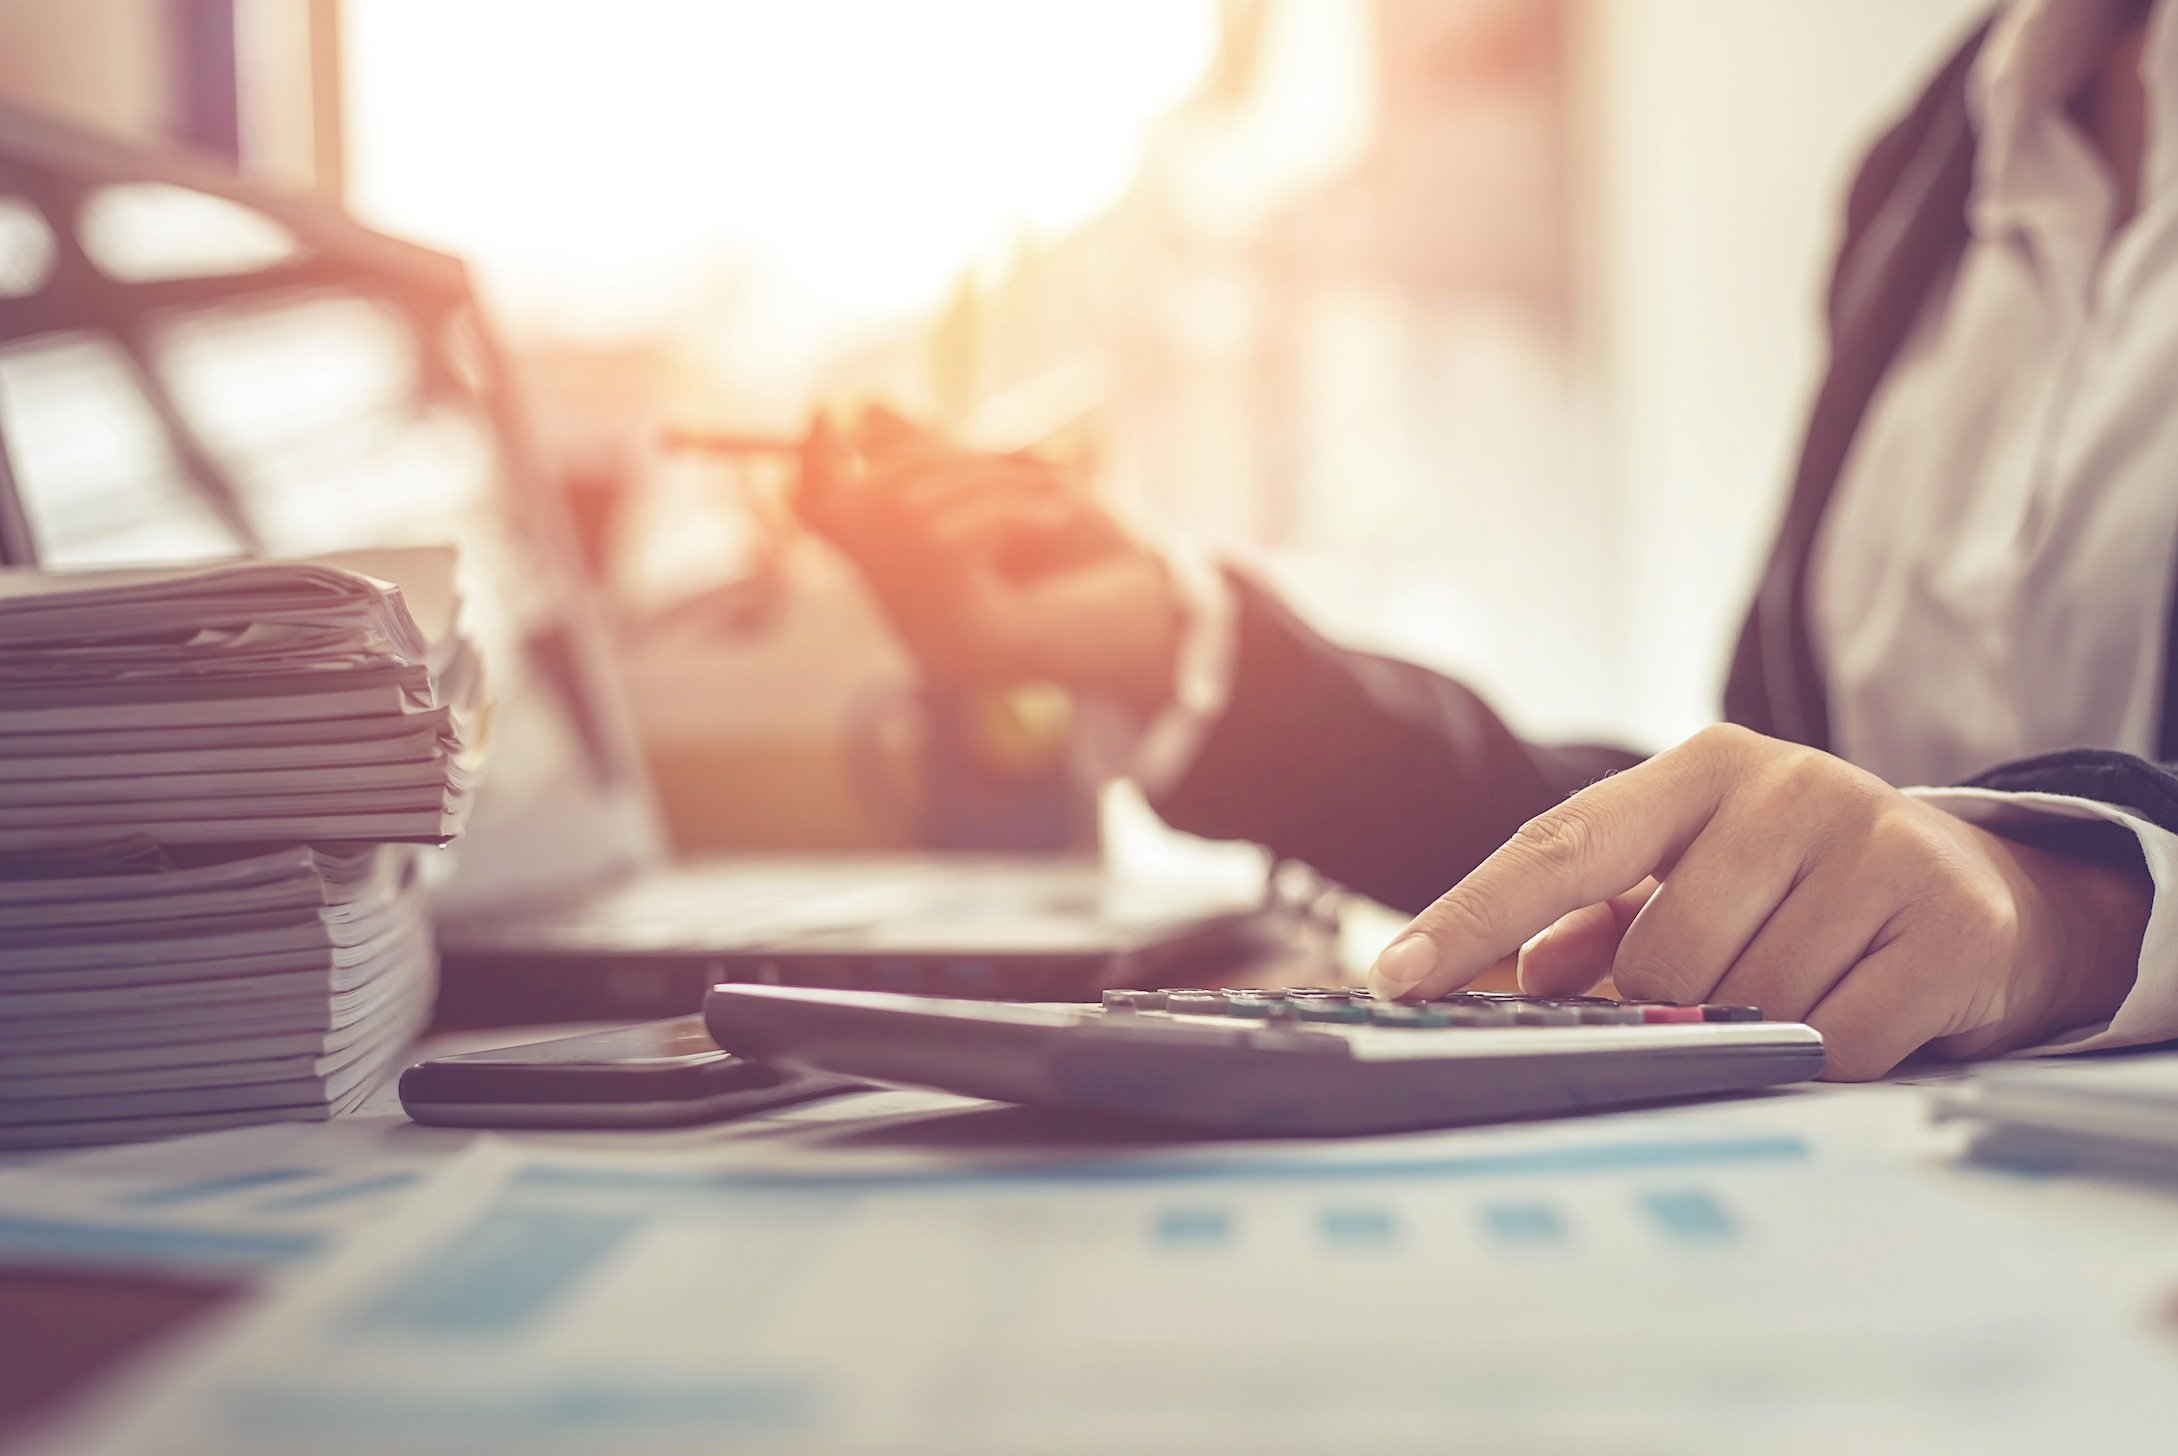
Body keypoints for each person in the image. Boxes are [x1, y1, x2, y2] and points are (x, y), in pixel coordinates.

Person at [800, 0, 2178, 1080]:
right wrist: (1183, 655)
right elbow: (1734, 844)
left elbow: (1962, 883)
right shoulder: (1939, 146)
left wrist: (2076, 908)